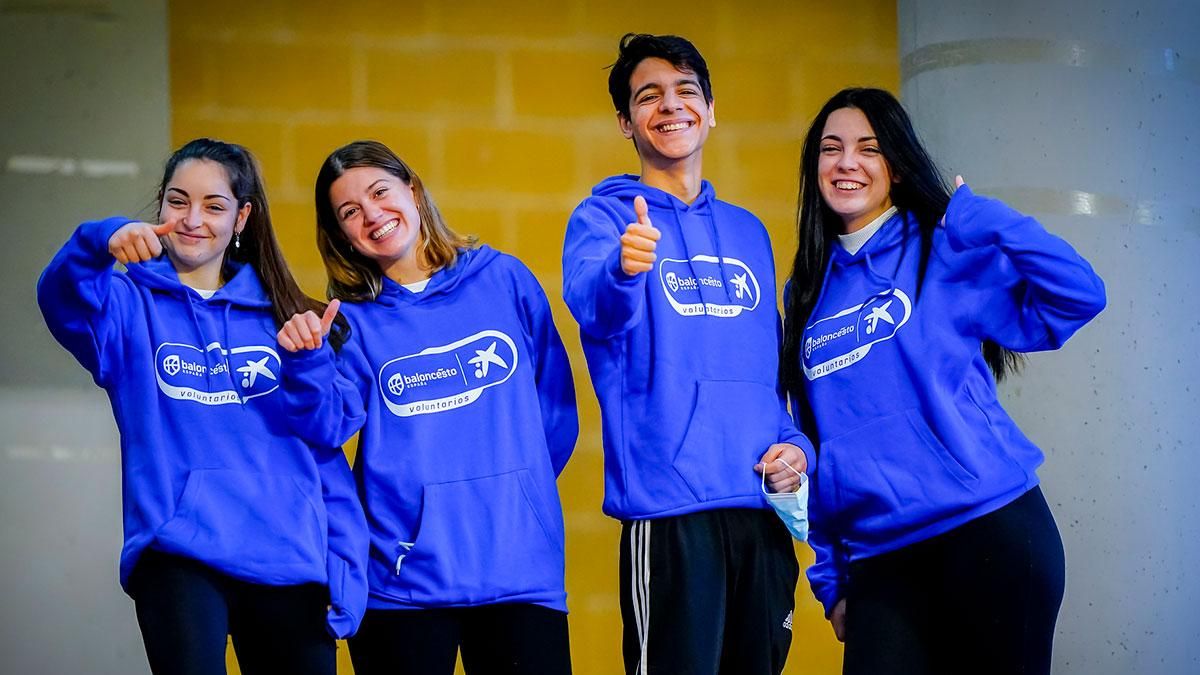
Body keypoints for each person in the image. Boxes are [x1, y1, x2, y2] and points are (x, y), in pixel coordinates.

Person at [780, 87, 1107, 675]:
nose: (846, 162)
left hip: (991, 533)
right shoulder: (804, 292)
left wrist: (990, 219)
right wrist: (832, 578)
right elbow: (816, 442)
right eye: (831, 149)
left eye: (868, 149)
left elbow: (1080, 295)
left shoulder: (942, 249)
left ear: (897, 167)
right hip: (882, 560)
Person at [36, 138, 368, 675]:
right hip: (179, 550)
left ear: (242, 217)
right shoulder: (126, 305)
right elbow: (61, 298)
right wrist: (101, 239)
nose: (192, 219)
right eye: (177, 200)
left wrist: (346, 565)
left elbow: (327, 440)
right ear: (161, 206)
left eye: (214, 205)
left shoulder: (292, 316)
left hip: (286, 555)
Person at [561, 33, 814, 675]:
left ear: (710, 109)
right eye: (649, 96)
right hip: (671, 512)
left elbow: (768, 375)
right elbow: (595, 309)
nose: (670, 106)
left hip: (760, 509)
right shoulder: (604, 221)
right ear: (626, 121)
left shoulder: (749, 231)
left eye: (686, 91)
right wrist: (624, 269)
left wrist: (796, 448)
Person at [277, 140, 578, 675]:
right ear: (340, 234)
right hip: (403, 586)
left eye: (379, 192)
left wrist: (513, 496)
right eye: (350, 211)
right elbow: (328, 427)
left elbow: (554, 407)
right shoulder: (350, 323)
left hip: (520, 576)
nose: (372, 215)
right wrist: (305, 363)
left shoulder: (504, 279)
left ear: (412, 191)